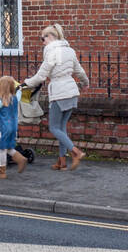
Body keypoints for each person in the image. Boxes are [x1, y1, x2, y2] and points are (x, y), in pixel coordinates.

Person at [24, 24, 88, 170]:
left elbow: (41, 75)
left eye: (43, 38)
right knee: (61, 128)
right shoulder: (70, 51)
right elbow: (79, 71)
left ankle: (76, 152)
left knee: (54, 128)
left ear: (51, 37)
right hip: (72, 93)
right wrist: (85, 83)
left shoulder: (52, 52)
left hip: (60, 93)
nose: (43, 42)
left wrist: (26, 83)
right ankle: (62, 162)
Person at [0, 75, 27, 179]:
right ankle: (19, 158)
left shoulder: (0, 101)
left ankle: (2, 171)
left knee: (2, 148)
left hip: (3, 128)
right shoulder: (15, 98)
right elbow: (19, 94)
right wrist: (19, 90)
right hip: (13, 127)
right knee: (8, 146)